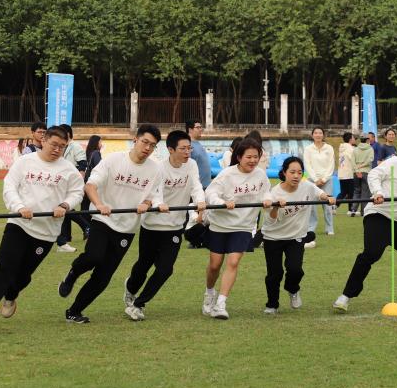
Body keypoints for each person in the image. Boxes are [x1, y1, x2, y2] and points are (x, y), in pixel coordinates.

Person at [0, 127, 84, 332]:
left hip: (46, 232)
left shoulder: (68, 170)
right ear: (44, 140)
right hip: (19, 225)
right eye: (54, 144)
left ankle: (11, 296)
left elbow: (77, 192)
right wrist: (19, 207)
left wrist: (65, 206)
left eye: (62, 146)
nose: (57, 149)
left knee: (23, 274)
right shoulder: (25, 162)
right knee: (4, 267)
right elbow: (9, 186)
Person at [58, 125, 162, 324]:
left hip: (127, 228)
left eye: (153, 145)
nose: (148, 148)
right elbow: (91, 184)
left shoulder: (155, 169)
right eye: (145, 142)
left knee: (103, 276)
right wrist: (99, 204)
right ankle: (72, 274)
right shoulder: (114, 160)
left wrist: (146, 203)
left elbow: (153, 195)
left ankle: (74, 311)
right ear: (136, 140)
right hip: (104, 220)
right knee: (93, 257)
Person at [333, 132, 397, 313]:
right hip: (378, 215)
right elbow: (374, 174)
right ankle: (345, 297)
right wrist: (378, 192)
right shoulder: (396, 162)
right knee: (372, 253)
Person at [122, 129, 206, 321]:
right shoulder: (158, 167)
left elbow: (196, 186)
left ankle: (138, 304)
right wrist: (159, 204)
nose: (187, 152)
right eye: (183, 149)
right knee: (143, 266)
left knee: (165, 269)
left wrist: (200, 202)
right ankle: (131, 288)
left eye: (189, 148)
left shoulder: (191, 165)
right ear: (170, 149)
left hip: (174, 227)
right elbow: (155, 192)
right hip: (152, 225)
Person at [203, 137, 273, 320]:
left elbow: (266, 192)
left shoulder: (260, 175)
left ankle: (221, 303)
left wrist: (267, 199)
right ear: (239, 157)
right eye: (248, 156)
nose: (253, 160)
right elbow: (210, 193)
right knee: (215, 265)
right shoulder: (227, 174)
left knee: (233, 262)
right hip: (220, 225)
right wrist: (222, 203)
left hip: (243, 225)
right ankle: (209, 293)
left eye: (256, 157)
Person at [261, 157, 333, 314]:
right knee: (275, 273)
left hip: (296, 236)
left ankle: (292, 289)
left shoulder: (306, 186)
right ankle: (272, 304)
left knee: (295, 270)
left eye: (299, 172)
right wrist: (275, 207)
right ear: (284, 173)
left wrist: (327, 198)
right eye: (292, 172)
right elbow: (271, 220)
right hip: (273, 237)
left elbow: (319, 192)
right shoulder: (274, 193)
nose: (296, 176)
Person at [55, 124, 88, 253]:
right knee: (64, 208)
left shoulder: (75, 147)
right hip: (60, 181)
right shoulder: (61, 147)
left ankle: (86, 227)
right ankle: (66, 237)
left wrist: (78, 180)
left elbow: (82, 164)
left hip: (71, 182)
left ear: (68, 134)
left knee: (65, 207)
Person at [302, 126, 336, 241]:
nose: (318, 135)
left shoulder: (329, 148)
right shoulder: (308, 149)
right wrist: (315, 179)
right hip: (312, 181)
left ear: (323, 135)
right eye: (315, 133)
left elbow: (331, 164)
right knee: (311, 206)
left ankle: (329, 228)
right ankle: (311, 227)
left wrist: (324, 179)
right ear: (312, 135)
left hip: (327, 180)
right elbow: (307, 165)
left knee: (328, 204)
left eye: (320, 133)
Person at [352, 134, 374, 215]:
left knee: (356, 191)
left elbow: (352, 162)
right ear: (367, 140)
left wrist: (357, 170)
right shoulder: (370, 148)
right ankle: (363, 211)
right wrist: (362, 166)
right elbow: (370, 160)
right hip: (366, 172)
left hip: (356, 172)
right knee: (365, 192)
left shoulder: (355, 149)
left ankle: (353, 210)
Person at [187, 120, 211, 188]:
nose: (200, 129)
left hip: (205, 186)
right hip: (197, 188)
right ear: (190, 130)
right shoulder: (188, 146)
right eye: (197, 127)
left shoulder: (198, 143)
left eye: (201, 127)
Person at [338, 132, 355, 210]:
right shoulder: (350, 149)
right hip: (349, 173)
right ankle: (350, 209)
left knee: (343, 192)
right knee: (350, 192)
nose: (354, 139)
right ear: (350, 139)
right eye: (354, 138)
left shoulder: (342, 147)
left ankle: (335, 206)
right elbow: (353, 160)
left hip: (342, 173)